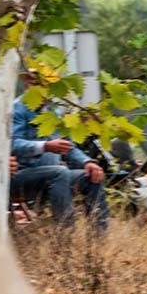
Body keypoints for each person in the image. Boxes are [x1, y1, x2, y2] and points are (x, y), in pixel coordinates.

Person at [10, 98, 109, 231]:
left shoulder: (53, 111)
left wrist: (87, 161)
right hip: (21, 176)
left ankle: (99, 240)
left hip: (55, 176)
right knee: (59, 172)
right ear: (27, 81)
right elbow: (12, 143)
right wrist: (44, 146)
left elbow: (68, 146)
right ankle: (66, 238)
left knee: (91, 175)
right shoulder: (18, 108)